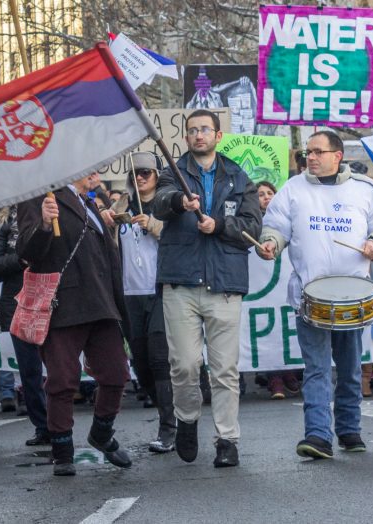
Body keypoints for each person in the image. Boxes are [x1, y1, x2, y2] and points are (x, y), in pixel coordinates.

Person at [258, 130, 373, 459]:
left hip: (353, 297)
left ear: (337, 156)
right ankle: (318, 435)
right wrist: (270, 242)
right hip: (310, 296)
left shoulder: (364, 190)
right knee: (317, 368)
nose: (310, 157)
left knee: (351, 367)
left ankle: (350, 430)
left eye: (318, 152)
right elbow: (276, 226)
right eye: (308, 152)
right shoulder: (293, 189)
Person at [153, 109, 262, 467]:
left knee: (225, 368)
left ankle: (227, 439)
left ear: (218, 135)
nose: (198, 135)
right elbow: (159, 201)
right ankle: (186, 419)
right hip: (181, 282)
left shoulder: (237, 175)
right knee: (183, 365)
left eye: (205, 130)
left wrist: (219, 226)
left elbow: (252, 229)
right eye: (192, 130)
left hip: (225, 283)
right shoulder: (174, 172)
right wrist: (178, 203)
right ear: (186, 137)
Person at [16, 171, 133, 476]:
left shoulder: (89, 203)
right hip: (64, 304)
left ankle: (102, 433)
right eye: (90, 165)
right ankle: (62, 451)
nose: (96, 171)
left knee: (117, 373)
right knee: (63, 381)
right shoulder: (40, 194)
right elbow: (26, 252)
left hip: (101, 303)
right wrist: (43, 224)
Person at [104, 151, 177, 453]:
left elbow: (178, 237)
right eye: (136, 173)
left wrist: (154, 225)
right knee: (143, 365)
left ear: (158, 175)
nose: (141, 177)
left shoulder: (166, 204)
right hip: (130, 295)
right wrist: (107, 222)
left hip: (161, 290)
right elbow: (106, 244)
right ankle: (175, 414)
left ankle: (169, 427)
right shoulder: (121, 205)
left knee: (161, 360)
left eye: (147, 172)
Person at [0, 206, 50, 446]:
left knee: (57, 366)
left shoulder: (53, 212)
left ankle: (60, 422)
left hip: (52, 298)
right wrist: (21, 260)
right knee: (30, 371)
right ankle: (43, 426)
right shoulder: (5, 222)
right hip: (19, 303)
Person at [252, 180, 302, 400]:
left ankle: (289, 373)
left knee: (284, 327)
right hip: (262, 288)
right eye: (260, 194)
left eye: (269, 193)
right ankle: (275, 380)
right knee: (268, 329)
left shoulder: (287, 219)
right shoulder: (252, 222)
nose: (266, 197)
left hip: (283, 286)